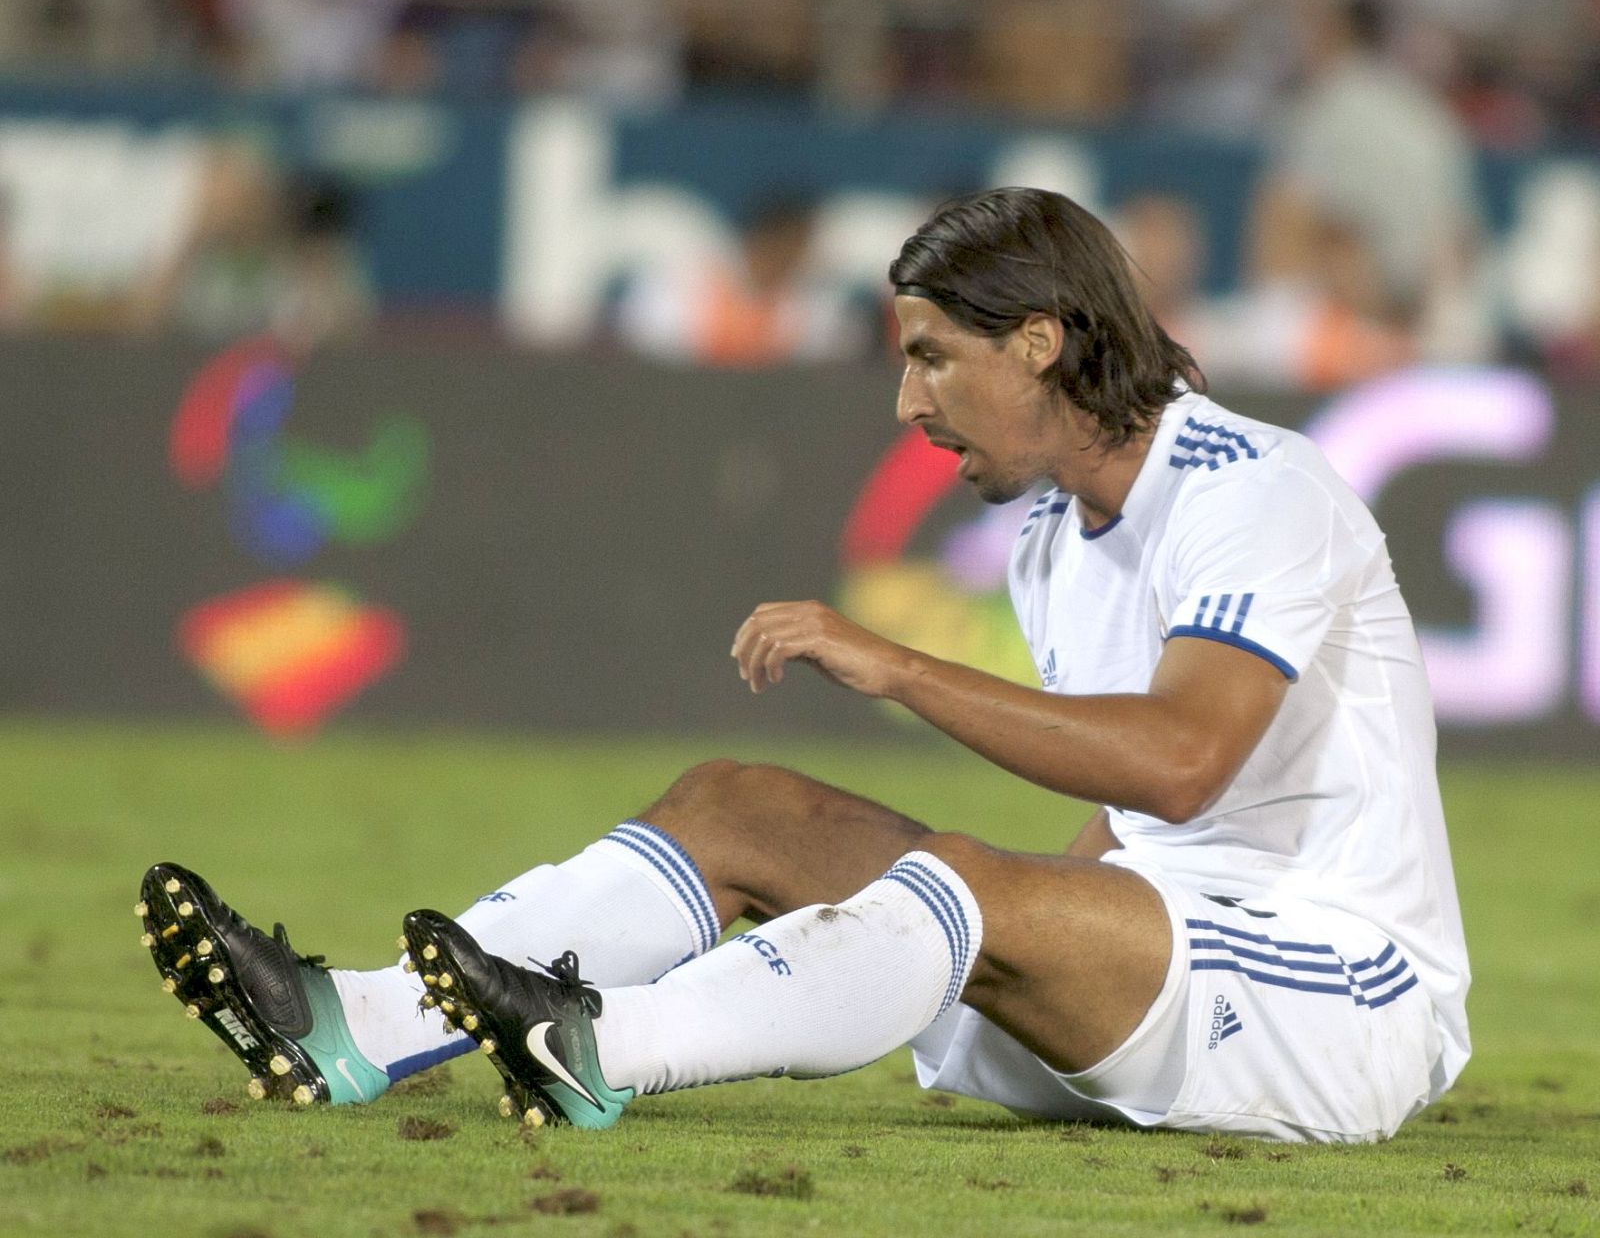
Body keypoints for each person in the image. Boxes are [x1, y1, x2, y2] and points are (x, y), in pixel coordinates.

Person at [138, 187, 1469, 1142]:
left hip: (1337, 997)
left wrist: (903, 672)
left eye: (933, 358)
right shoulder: (1052, 539)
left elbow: (1180, 766)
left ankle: (601, 1044)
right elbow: (1134, 827)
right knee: (741, 807)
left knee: (964, 884)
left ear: (1040, 340)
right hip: (1169, 976)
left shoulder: (1254, 489)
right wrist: (1038, 933)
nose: (909, 403)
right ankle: (353, 1024)